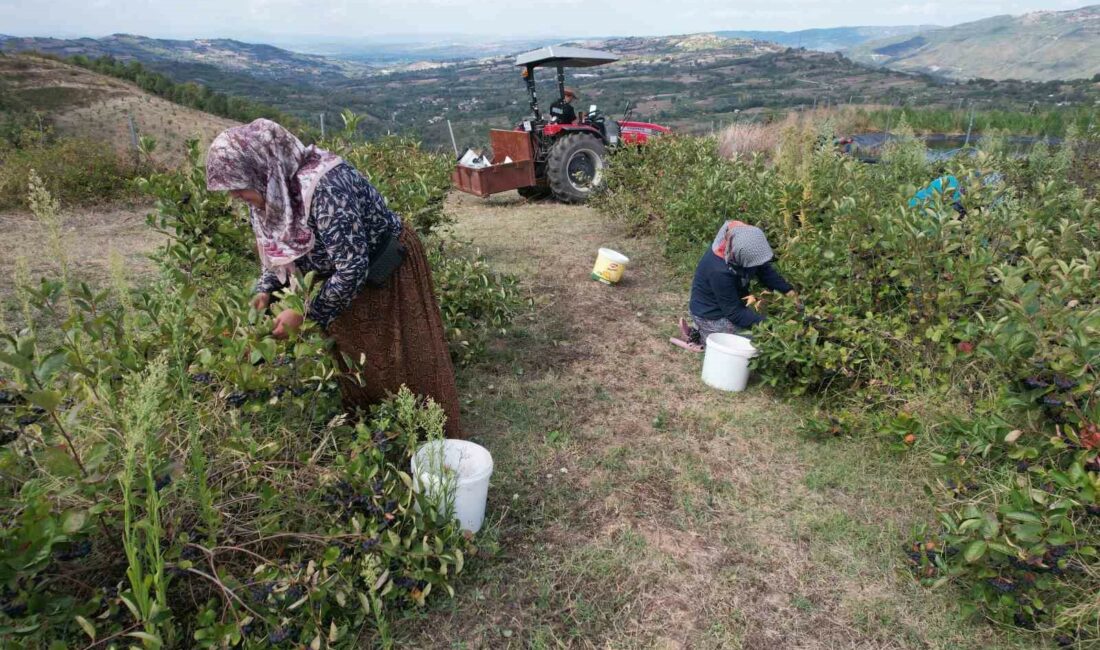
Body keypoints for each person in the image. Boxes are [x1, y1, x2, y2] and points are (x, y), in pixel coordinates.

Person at [206, 118, 462, 438]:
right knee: (360, 364)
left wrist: (304, 312)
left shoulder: (325, 186)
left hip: (386, 274)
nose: (235, 195)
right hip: (336, 286)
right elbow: (276, 250)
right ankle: (382, 441)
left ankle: (433, 441)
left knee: (405, 359)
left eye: (237, 186)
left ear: (263, 171)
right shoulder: (271, 196)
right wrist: (265, 290)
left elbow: (352, 267)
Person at [671, 220, 798, 352]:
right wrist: (774, 324)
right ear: (738, 257)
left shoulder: (739, 243)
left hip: (730, 304)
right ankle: (701, 335)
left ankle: (701, 332)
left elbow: (763, 270)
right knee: (756, 343)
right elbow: (735, 313)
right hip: (711, 315)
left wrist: (788, 291)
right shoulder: (718, 271)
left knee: (762, 333)